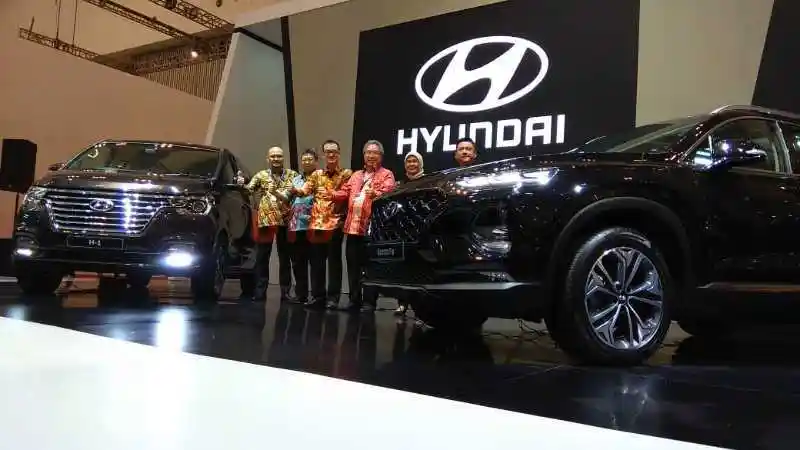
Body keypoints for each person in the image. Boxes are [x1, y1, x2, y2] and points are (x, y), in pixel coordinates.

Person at [333, 140, 396, 313]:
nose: (371, 156)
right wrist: (331, 194)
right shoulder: (356, 175)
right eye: (368, 152)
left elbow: (390, 193)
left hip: (371, 229)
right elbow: (344, 192)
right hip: (352, 229)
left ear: (381, 156)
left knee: (370, 266)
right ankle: (354, 300)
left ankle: (369, 302)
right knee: (352, 266)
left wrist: (376, 193)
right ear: (364, 155)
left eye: (375, 153)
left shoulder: (386, 174)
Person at [292, 140, 352, 310]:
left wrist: (331, 194)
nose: (331, 154)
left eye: (334, 151)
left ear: (339, 153)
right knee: (317, 262)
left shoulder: (346, 174)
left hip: (336, 223)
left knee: (334, 262)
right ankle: (318, 296)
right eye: (327, 151)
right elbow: (305, 190)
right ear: (324, 155)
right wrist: (294, 190)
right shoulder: (317, 174)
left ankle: (333, 298)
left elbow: (347, 193)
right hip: (317, 224)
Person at [244, 146, 298, 302]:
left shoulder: (292, 175)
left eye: (279, 156)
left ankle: (285, 292)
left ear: (283, 158)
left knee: (285, 258)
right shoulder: (261, 175)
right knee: (262, 257)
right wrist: (242, 183)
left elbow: (294, 195)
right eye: (273, 156)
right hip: (266, 220)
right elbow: (248, 190)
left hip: (285, 220)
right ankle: (260, 291)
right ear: (267, 158)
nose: (276, 159)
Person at [392, 150, 425, 316]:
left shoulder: (427, 181)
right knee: (402, 269)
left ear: (420, 163)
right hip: (402, 231)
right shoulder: (400, 184)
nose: (412, 164)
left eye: (414, 161)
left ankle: (421, 309)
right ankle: (402, 303)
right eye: (409, 161)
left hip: (420, 230)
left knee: (419, 269)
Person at [286, 148, 318, 305]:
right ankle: (301, 294)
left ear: (316, 161)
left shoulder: (320, 177)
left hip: (314, 224)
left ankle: (316, 296)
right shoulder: (296, 179)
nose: (306, 162)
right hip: (296, 225)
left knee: (315, 262)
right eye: (304, 159)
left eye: (310, 159)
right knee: (298, 261)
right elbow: (288, 197)